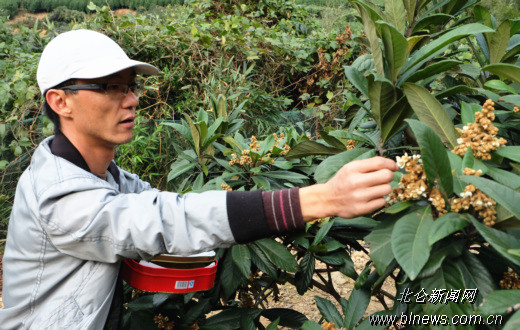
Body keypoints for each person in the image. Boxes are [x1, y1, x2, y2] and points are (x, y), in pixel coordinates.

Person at [0, 29, 398, 329]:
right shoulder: (58, 196)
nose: (132, 99)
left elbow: (158, 207)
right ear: (60, 101)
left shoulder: (102, 175)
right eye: (110, 87)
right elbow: (166, 220)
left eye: (131, 86)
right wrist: (322, 199)